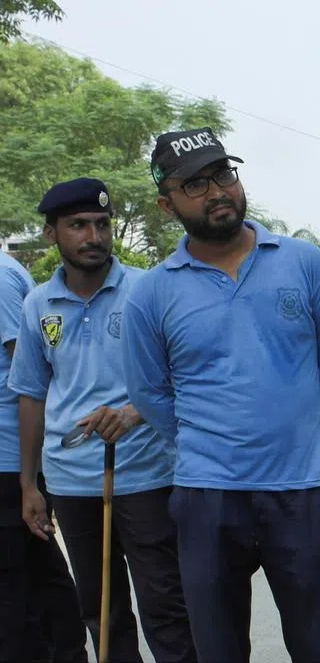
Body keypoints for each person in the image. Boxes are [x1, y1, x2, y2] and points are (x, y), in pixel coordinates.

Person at [121, 128, 320, 663]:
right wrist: (211, 441)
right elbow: (150, 390)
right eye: (195, 185)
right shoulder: (153, 292)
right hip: (205, 497)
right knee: (218, 648)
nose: (217, 192)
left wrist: (294, 430)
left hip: (299, 491)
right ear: (167, 204)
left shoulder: (304, 263)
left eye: (223, 174)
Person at [11, 179, 194, 663]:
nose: (93, 236)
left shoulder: (148, 289)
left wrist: (135, 412)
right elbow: (31, 394)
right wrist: (31, 485)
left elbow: (185, 374)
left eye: (102, 224)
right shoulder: (37, 306)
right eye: (78, 226)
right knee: (100, 610)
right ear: (52, 235)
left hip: (147, 474)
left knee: (167, 608)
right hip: (71, 483)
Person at [1, 246, 88, 663]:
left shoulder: (0, 277)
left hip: (9, 455)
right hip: (16, 458)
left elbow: (30, 372)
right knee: (37, 568)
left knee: (16, 582)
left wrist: (28, 479)